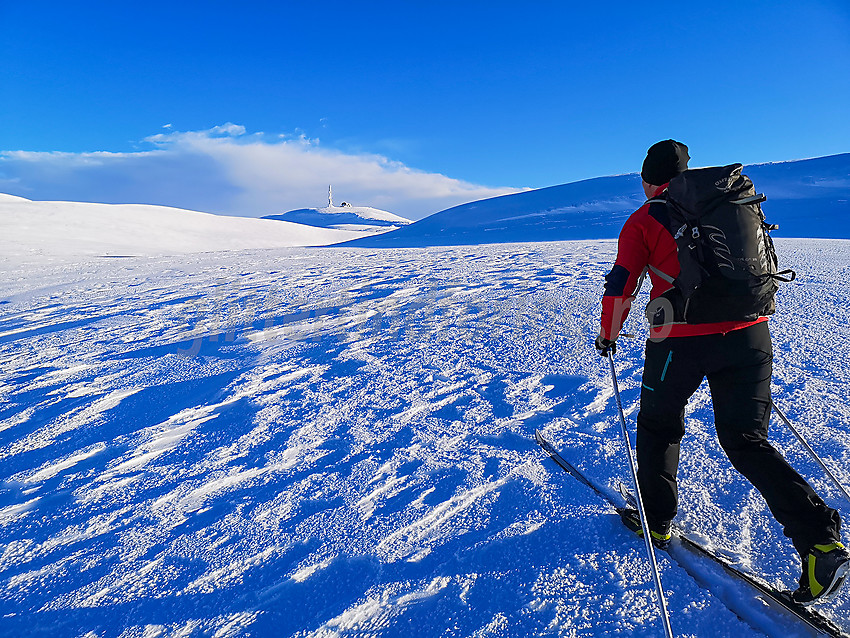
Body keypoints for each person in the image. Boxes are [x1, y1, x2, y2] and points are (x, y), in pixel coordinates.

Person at [595, 139, 849, 604]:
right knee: (745, 438)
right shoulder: (732, 204)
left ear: (648, 180)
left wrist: (610, 334)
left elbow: (622, 286)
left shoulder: (644, 219)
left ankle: (656, 518)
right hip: (751, 335)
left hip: (680, 342)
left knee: (658, 424)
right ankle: (819, 539)